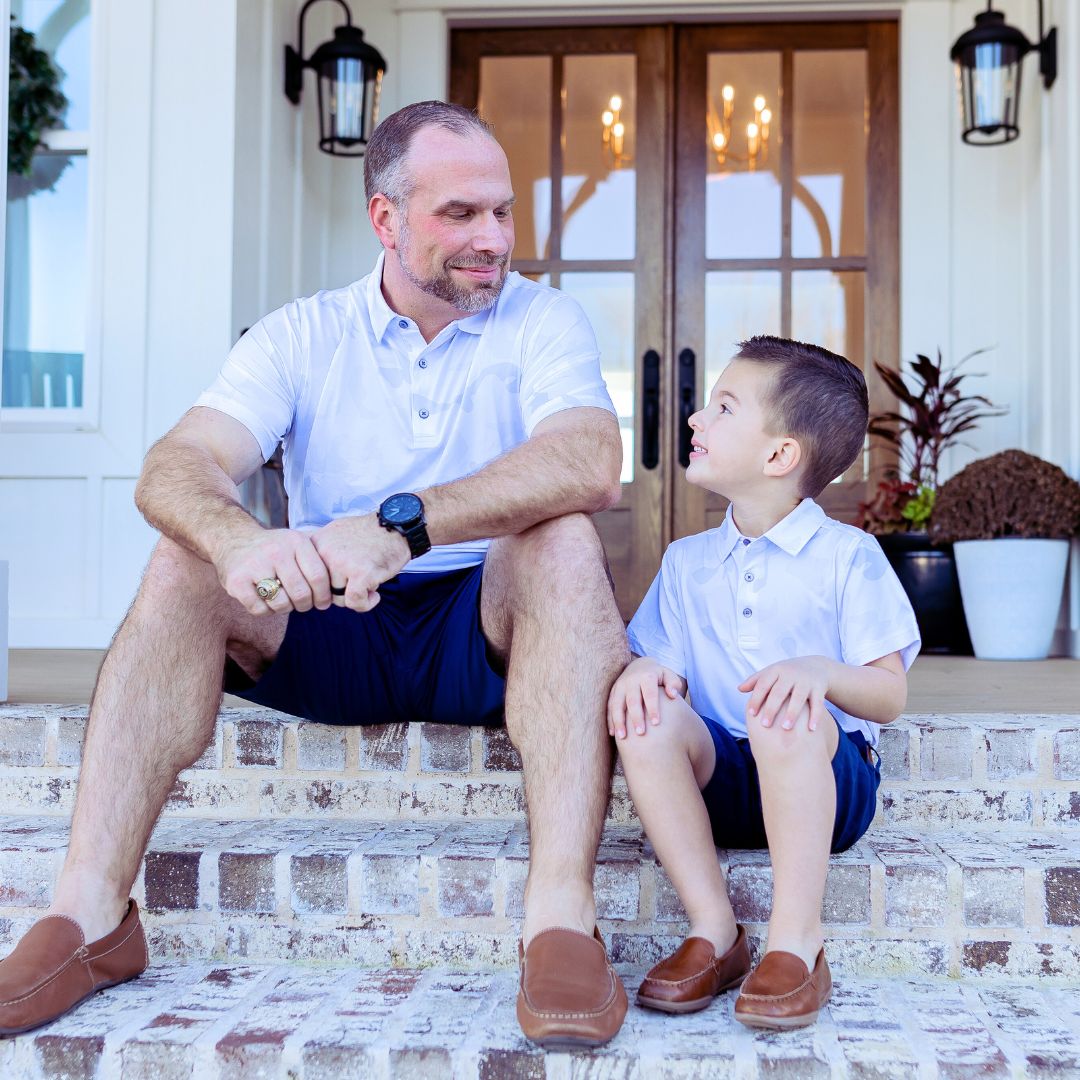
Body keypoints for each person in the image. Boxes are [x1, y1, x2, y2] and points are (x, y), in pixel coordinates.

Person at [0, 101, 631, 1049]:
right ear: (385, 219)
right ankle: (89, 917)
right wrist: (242, 543)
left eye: (501, 212)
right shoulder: (302, 335)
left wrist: (402, 526)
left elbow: (588, 459)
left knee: (564, 539)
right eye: (459, 214)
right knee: (186, 558)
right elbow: (175, 468)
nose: (492, 238)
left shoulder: (544, 322)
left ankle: (559, 918)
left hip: (484, 633)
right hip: (329, 621)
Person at [608, 336, 920, 1030]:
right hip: (724, 775)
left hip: (828, 783)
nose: (695, 419)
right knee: (646, 713)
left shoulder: (848, 556)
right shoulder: (689, 563)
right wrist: (644, 670)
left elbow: (889, 696)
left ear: (780, 456)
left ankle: (795, 941)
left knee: (788, 711)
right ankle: (715, 930)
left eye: (722, 407)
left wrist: (821, 674)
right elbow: (660, 664)